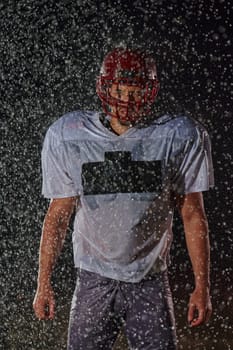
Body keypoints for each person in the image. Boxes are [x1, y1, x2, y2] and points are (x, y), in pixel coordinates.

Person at [33, 47, 214, 350]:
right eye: (120, 90)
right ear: (105, 87)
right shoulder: (69, 135)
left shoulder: (177, 136)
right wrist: (43, 283)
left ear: (149, 90)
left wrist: (202, 286)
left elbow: (192, 214)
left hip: (150, 279)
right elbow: (58, 215)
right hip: (93, 277)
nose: (127, 101)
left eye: (135, 91)